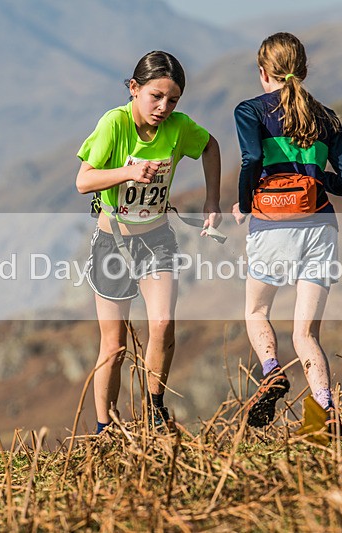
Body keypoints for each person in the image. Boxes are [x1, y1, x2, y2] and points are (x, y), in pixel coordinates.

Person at [76, 50, 221, 433]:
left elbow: (210, 146)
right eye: (155, 96)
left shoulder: (178, 127)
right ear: (134, 88)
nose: (163, 107)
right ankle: (104, 429)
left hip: (156, 238)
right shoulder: (114, 124)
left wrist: (211, 201)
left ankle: (154, 411)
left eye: (172, 100)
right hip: (113, 244)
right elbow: (83, 181)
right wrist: (128, 172)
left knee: (163, 322)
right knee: (115, 346)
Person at [232, 33, 342, 429]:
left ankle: (271, 370)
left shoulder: (250, 111)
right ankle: (323, 418)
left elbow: (252, 157)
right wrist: (319, 180)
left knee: (256, 310)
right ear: (303, 70)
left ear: (262, 72)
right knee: (306, 334)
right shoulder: (328, 117)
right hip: (321, 225)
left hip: (273, 224)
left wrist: (244, 201)